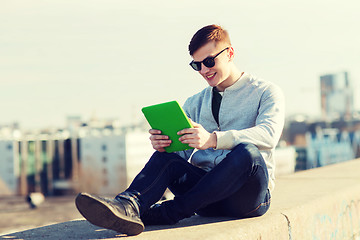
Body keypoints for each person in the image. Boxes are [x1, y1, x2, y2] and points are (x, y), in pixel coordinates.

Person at [75, 24, 285, 236]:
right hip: (204, 200)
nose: (204, 70)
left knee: (247, 153)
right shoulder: (194, 103)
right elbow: (181, 153)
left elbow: (269, 135)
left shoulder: (266, 92)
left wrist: (213, 140)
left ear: (230, 53)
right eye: (197, 65)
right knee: (165, 159)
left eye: (209, 61)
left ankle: (169, 212)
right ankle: (128, 206)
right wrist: (165, 144)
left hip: (247, 198)